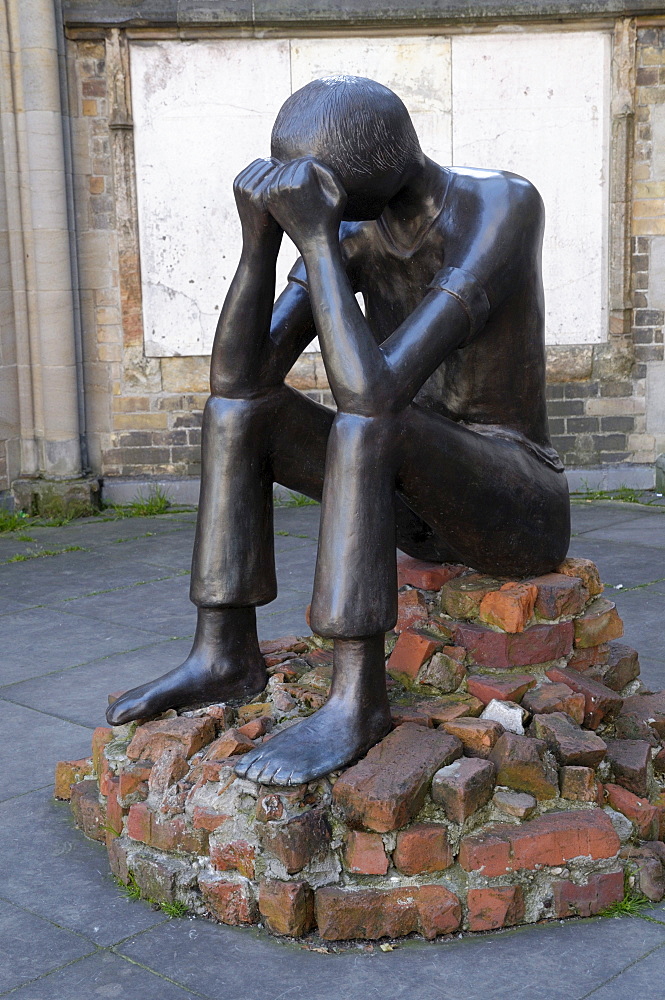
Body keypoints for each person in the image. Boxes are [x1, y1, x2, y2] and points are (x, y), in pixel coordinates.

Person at [107, 76, 570, 785]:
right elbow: (236, 377)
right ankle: (223, 651)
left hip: (514, 501)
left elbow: (376, 395)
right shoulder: (353, 230)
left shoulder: (500, 205)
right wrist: (259, 246)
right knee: (240, 412)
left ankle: (357, 697)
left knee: (372, 421)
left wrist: (320, 241)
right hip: (407, 495)